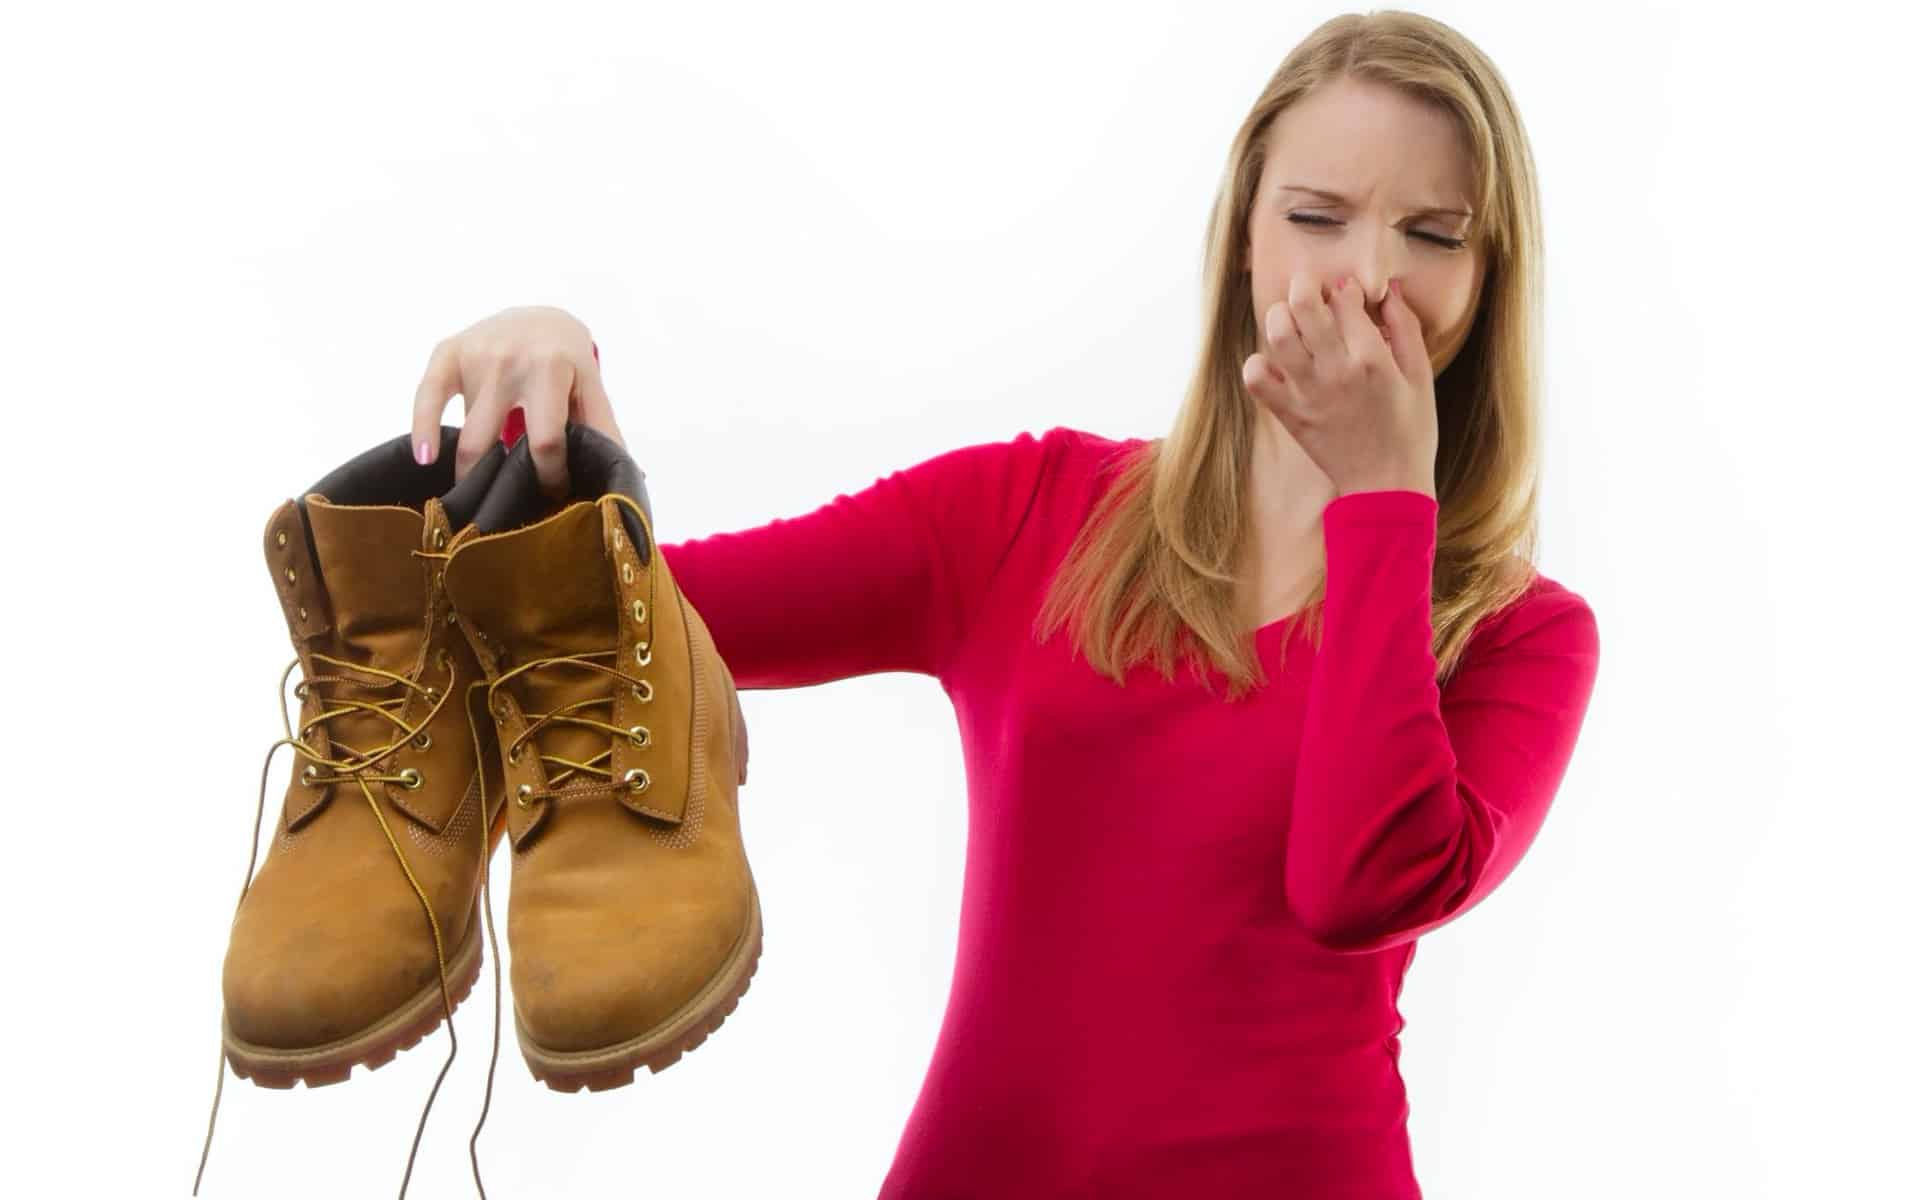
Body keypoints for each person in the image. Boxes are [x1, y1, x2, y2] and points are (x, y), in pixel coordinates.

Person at [404, 12, 1600, 1198]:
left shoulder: (1522, 634)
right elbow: (638, 622)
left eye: (1432, 235)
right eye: (1317, 217)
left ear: (1488, 279)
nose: (1369, 278)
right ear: (1243, 238)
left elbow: (1356, 890)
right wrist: (553, 382)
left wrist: (1385, 501)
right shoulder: (1032, 511)